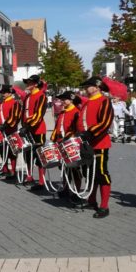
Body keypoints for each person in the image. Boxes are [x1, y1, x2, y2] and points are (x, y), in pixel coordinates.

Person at [78, 76, 114, 218]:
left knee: (101, 174)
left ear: (97, 87)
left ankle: (104, 206)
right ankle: (91, 200)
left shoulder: (104, 101)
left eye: (88, 86)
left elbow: (105, 122)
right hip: (87, 143)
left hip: (99, 143)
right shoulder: (87, 103)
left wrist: (89, 133)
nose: (86, 89)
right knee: (89, 173)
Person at [50, 91, 82, 196]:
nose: (62, 101)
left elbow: (78, 129)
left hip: (71, 143)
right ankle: (65, 188)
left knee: (74, 169)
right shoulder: (62, 112)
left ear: (71, 99)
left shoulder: (76, 112)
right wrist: (53, 140)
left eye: (64, 99)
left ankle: (76, 191)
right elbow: (57, 128)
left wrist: (68, 137)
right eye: (61, 99)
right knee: (64, 168)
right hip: (61, 143)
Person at [20, 75, 48, 191]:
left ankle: (41, 182)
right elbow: (24, 113)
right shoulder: (27, 97)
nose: (27, 85)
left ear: (35, 84)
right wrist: (23, 125)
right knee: (27, 154)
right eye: (27, 83)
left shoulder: (41, 96)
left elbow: (39, 114)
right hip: (27, 129)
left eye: (30, 83)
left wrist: (28, 126)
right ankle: (29, 176)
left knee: (39, 155)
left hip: (38, 129)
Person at [0, 85, 22, 179]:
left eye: (4, 93)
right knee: (2, 150)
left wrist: (5, 125)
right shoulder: (0, 103)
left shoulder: (15, 103)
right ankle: (5, 169)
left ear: (10, 93)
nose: (2, 94)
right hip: (0, 130)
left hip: (10, 130)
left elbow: (15, 117)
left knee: (12, 151)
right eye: (2, 93)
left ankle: (13, 171)